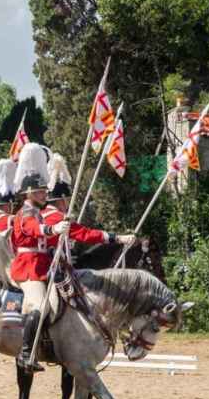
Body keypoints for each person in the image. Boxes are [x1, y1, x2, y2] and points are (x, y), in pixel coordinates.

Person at [10, 146, 133, 372]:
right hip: (28, 269)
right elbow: (34, 229)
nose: (43, 195)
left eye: (43, 191)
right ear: (27, 194)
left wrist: (116, 238)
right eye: (38, 192)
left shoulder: (41, 213)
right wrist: (53, 229)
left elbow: (83, 233)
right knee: (40, 305)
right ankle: (26, 354)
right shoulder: (26, 214)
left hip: (47, 268)